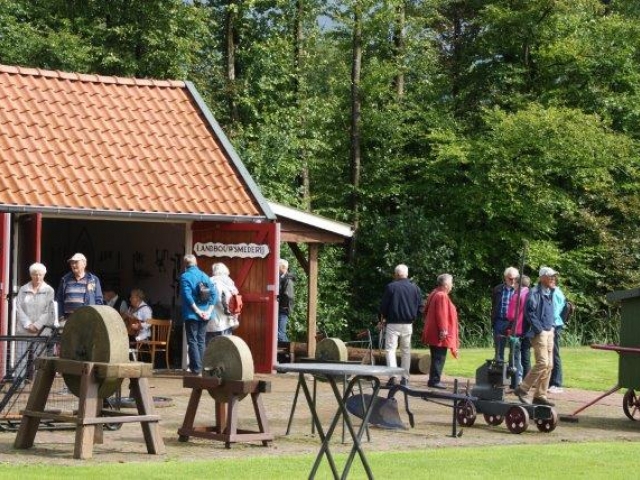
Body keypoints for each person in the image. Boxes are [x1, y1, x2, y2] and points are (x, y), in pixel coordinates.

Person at [514, 266, 558, 407]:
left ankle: (540, 395)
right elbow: (529, 312)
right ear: (542, 277)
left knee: (550, 365)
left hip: (550, 331)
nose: (553, 279)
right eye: (550, 276)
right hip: (540, 333)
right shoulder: (534, 292)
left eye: (553, 276)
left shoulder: (551, 292)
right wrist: (539, 329)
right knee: (543, 363)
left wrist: (551, 327)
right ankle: (522, 388)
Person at [379, 264, 422, 386]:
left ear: (396, 274)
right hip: (408, 324)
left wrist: (382, 318)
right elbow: (421, 307)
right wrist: (414, 318)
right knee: (406, 351)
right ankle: (405, 378)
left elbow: (383, 307)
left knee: (390, 350)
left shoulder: (391, 287)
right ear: (407, 274)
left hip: (393, 323)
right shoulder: (415, 288)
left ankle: (393, 377)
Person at [15, 262, 56, 378]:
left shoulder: (49, 290)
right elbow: (19, 308)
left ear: (44, 275)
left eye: (40, 275)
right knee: (20, 357)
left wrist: (37, 325)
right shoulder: (23, 289)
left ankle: (38, 385)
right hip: (24, 330)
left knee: (39, 357)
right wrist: (28, 324)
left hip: (41, 330)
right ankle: (18, 382)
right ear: (30, 275)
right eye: (35, 274)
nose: (37, 277)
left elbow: (48, 310)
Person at [180, 254, 216, 375]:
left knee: (193, 341)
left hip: (192, 314)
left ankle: (196, 369)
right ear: (196, 263)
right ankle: (203, 368)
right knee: (201, 340)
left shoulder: (185, 276)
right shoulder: (205, 276)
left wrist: (197, 311)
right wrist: (208, 311)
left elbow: (187, 295)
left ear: (185, 265)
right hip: (205, 314)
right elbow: (214, 295)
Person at [421, 273, 459, 390]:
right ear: (446, 284)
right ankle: (435, 381)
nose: (452, 285)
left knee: (436, 357)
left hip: (432, 331)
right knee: (439, 357)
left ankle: (433, 379)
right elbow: (441, 314)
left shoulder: (434, 293)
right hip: (438, 333)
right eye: (451, 283)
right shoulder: (442, 295)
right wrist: (443, 330)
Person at [55, 252, 103, 320]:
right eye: (71, 263)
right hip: (68, 319)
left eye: (76, 262)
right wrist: (60, 316)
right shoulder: (65, 279)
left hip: (87, 318)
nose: (73, 265)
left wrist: (95, 317)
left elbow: (98, 300)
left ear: (84, 264)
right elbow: (59, 300)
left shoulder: (93, 279)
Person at [506, 275, 531, 390]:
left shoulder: (517, 296)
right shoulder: (531, 295)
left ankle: (515, 383)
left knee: (515, 356)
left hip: (517, 329)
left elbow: (511, 315)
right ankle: (527, 383)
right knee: (526, 356)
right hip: (529, 329)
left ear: (518, 284)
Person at [206, 262, 239, 345]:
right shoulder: (229, 283)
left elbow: (218, 299)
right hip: (226, 321)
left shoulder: (211, 281)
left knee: (211, 347)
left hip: (214, 320)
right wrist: (231, 315)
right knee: (224, 347)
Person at [491, 267, 519, 361]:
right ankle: (499, 372)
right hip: (499, 321)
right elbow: (494, 305)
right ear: (505, 277)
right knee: (499, 351)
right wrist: (494, 321)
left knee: (514, 350)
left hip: (514, 323)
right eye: (510, 279)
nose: (513, 281)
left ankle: (513, 373)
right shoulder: (497, 289)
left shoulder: (519, 291)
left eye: (515, 278)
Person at [548, 284, 568, 394]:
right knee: (552, 353)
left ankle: (557, 383)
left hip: (554, 325)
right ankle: (552, 382)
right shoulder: (557, 292)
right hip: (555, 325)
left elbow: (554, 312)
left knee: (554, 354)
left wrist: (549, 325)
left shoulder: (555, 293)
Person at [277, 259, 295, 343]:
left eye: (278, 266)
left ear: (283, 267)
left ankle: (289, 350)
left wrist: (281, 304)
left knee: (280, 334)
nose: (276, 268)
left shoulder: (288, 280)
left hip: (283, 309)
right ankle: (288, 350)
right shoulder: (282, 278)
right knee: (279, 333)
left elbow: (288, 296)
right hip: (281, 308)